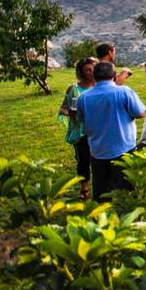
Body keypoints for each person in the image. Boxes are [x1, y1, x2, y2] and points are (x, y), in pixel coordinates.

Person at [76, 62, 146, 201]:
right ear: (114, 75)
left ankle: (102, 216)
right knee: (126, 190)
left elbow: (81, 119)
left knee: (101, 189)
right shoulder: (124, 91)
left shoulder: (83, 97)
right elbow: (140, 113)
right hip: (123, 147)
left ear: (94, 77)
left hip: (97, 149)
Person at [57, 57, 97, 199]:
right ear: (81, 72)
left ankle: (101, 187)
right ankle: (84, 188)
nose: (91, 72)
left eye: (93, 69)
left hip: (99, 131)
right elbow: (63, 108)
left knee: (100, 160)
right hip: (80, 132)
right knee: (83, 161)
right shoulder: (73, 89)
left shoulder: (102, 87)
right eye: (87, 70)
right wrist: (71, 113)